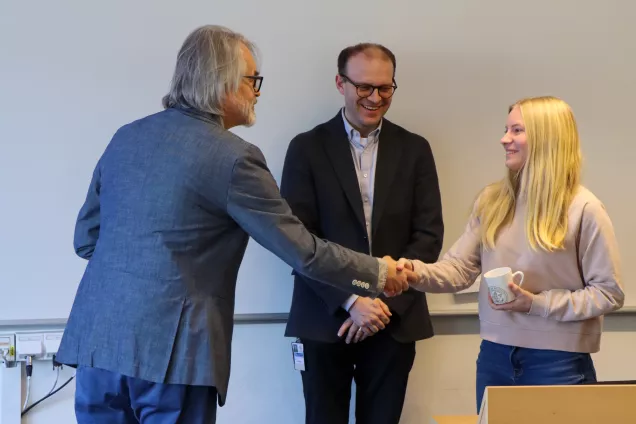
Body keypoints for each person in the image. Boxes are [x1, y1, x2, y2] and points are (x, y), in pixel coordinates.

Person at [55, 25, 415, 424]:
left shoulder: (126, 137)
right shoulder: (233, 158)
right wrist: (379, 272)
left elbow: (87, 239)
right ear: (222, 82)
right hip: (173, 358)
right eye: (251, 80)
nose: (256, 92)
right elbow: (301, 249)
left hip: (95, 345)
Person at [397, 95, 624, 412]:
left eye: (516, 130)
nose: (504, 139)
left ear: (546, 137)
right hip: (494, 355)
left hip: (558, 362)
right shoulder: (492, 200)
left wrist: (536, 304)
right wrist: (413, 272)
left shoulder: (585, 209)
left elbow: (608, 293)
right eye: (507, 129)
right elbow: (458, 270)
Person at [280, 43, 444, 424]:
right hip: (325, 315)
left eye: (385, 88)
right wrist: (352, 301)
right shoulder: (306, 148)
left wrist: (380, 304)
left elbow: (428, 236)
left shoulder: (415, 149)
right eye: (364, 87)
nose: (374, 97)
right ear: (341, 83)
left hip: (393, 320)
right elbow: (298, 239)